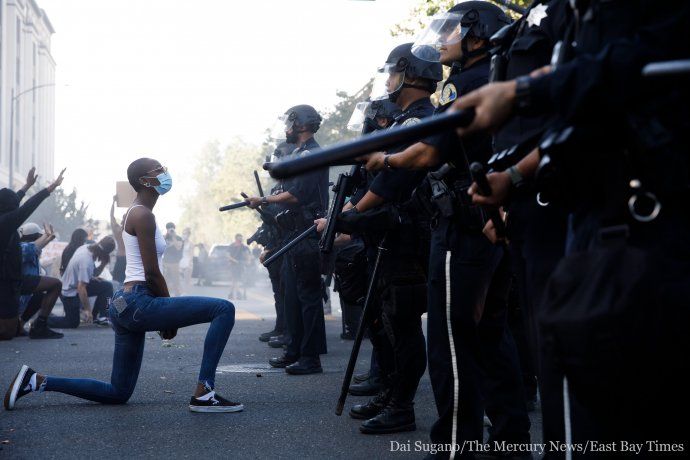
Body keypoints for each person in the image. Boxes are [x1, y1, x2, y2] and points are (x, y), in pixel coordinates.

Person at [451, 0, 689, 453]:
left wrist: (526, 93)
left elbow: (649, 62)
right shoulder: (573, 14)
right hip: (594, 217)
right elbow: (578, 119)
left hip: (657, 220)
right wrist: (516, 178)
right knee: (584, 382)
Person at [5, 157, 242, 413]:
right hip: (138, 301)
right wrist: (168, 318)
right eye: (158, 170)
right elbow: (151, 273)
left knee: (118, 392)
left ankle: (36, 381)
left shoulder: (138, 212)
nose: (165, 173)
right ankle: (205, 392)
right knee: (223, 309)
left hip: (124, 303)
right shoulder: (142, 214)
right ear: (144, 181)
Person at [336, 42, 442, 434]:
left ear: (408, 73)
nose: (388, 81)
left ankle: (402, 406)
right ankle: (393, 395)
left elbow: (390, 180)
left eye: (392, 73)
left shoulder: (419, 121)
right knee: (392, 320)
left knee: (404, 322)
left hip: (410, 238)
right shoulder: (407, 121)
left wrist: (353, 212)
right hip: (396, 237)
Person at [246, 105, 329, 375]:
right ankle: (294, 350)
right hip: (294, 232)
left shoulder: (311, 154)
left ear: (300, 124)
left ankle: (310, 357)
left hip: (307, 230)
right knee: (292, 295)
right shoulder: (298, 154)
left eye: (289, 123)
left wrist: (265, 199)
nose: (286, 128)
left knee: (308, 297)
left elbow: (297, 195)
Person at [0, 168, 65, 340]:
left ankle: (40, 326)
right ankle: (16, 325)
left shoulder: (5, 217)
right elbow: (26, 208)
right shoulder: (5, 223)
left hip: (17, 280)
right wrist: (50, 188)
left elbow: (17, 200)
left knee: (54, 284)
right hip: (5, 284)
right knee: (8, 333)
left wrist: (27, 186)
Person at [257, 141, 293, 345]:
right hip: (278, 245)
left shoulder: (289, 187)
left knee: (288, 294)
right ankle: (282, 328)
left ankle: (288, 333)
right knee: (280, 293)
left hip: (286, 244)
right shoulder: (277, 188)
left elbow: (281, 219)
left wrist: (263, 204)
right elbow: (272, 221)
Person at [49, 236, 116, 328]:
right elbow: (81, 288)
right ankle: (43, 320)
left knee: (107, 286)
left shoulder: (87, 248)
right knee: (71, 322)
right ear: (104, 253)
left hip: (76, 285)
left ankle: (103, 317)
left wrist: (101, 266)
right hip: (69, 291)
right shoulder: (86, 261)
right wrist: (87, 310)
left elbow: (94, 273)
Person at [17, 223, 64, 339]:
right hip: (14, 293)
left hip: (19, 297)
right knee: (56, 284)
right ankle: (39, 326)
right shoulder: (22, 248)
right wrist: (47, 236)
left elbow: (35, 249)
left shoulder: (31, 251)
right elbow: (31, 249)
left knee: (42, 292)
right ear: (36, 237)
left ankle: (20, 325)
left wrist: (48, 237)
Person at [110, 195, 127, 290]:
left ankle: (120, 304)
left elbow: (111, 217)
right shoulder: (121, 230)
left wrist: (113, 202)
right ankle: (119, 305)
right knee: (119, 284)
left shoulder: (120, 230)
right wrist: (113, 203)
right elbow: (111, 217)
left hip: (124, 259)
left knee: (119, 284)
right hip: (124, 259)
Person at [162, 222, 183, 296]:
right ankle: (165, 295)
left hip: (175, 263)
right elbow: (160, 246)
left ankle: (177, 296)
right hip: (165, 262)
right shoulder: (164, 237)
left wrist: (173, 237)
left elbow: (178, 247)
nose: (170, 230)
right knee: (165, 281)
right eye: (168, 229)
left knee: (176, 281)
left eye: (172, 229)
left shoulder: (178, 238)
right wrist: (166, 236)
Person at [228, 233, 249, 300]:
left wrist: (248, 260)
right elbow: (228, 255)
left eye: (241, 238)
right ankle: (238, 293)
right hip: (233, 265)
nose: (241, 239)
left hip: (241, 265)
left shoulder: (243, 246)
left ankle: (231, 294)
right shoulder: (232, 246)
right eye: (239, 238)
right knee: (235, 279)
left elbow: (247, 254)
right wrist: (234, 261)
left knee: (239, 280)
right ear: (236, 238)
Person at [179, 228, 193, 294]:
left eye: (186, 233)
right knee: (181, 280)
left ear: (189, 235)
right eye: (183, 233)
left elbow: (191, 255)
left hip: (188, 263)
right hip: (181, 262)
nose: (184, 235)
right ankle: (183, 293)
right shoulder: (181, 243)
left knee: (187, 280)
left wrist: (189, 264)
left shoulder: (191, 244)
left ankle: (188, 294)